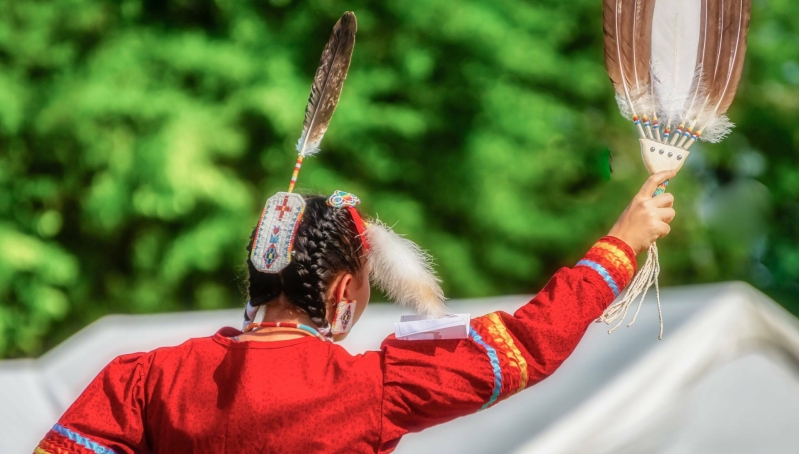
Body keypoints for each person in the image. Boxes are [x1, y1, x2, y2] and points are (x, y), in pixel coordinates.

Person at [34, 169, 676, 454]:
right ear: (345, 293)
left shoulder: (143, 379)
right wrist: (622, 242)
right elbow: (532, 342)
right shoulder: (371, 387)